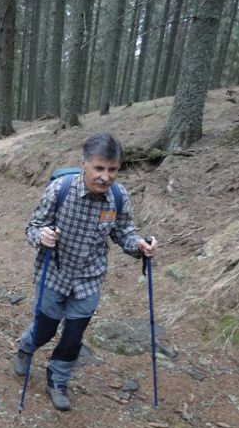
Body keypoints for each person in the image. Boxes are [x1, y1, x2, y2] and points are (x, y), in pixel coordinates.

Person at [13, 132, 157, 411]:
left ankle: (57, 380)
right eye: (99, 168)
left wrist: (140, 245)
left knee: (73, 337)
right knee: (45, 329)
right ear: (85, 165)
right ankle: (26, 347)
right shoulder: (60, 191)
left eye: (112, 169)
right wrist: (42, 236)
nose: (106, 176)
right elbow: (32, 227)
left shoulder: (118, 196)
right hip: (53, 275)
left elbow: (124, 232)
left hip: (89, 279)